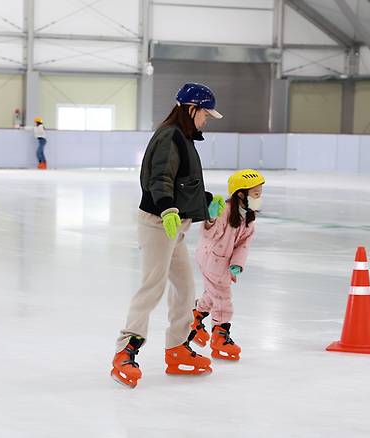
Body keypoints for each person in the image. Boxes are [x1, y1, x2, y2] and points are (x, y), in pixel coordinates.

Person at [111, 83, 223, 388]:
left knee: (185, 287)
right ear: (191, 110)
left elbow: (184, 182)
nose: (206, 121)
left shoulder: (183, 137)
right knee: (153, 286)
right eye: (205, 115)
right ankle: (125, 350)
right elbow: (159, 177)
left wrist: (206, 202)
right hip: (160, 223)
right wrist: (167, 208)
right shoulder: (170, 136)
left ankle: (176, 348)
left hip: (175, 225)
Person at [190, 169, 264, 361]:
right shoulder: (225, 210)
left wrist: (237, 264)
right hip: (211, 258)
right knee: (223, 298)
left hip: (222, 261)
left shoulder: (248, 217)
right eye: (256, 194)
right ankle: (220, 335)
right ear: (241, 194)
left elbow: (243, 244)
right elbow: (209, 235)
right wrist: (211, 218)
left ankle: (195, 317)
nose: (259, 198)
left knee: (213, 294)